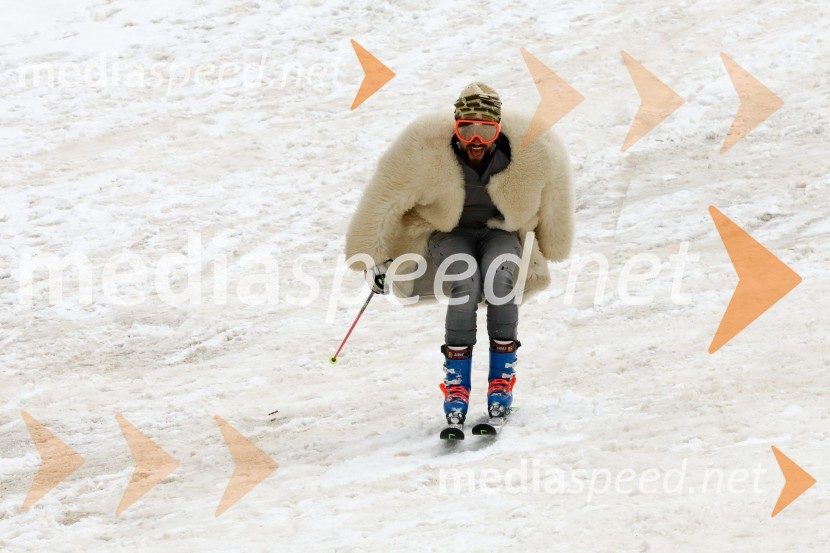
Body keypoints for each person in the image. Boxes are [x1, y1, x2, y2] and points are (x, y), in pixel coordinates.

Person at [345, 82, 574, 429]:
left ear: (498, 130)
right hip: (447, 232)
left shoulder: (535, 148)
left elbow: (556, 192)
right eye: (467, 129)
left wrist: (554, 241)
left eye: (486, 129)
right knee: (464, 282)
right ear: (456, 128)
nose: (476, 139)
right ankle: (457, 387)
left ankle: (501, 382)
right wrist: (370, 258)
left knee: (500, 278)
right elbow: (384, 196)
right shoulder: (423, 145)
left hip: (501, 231)